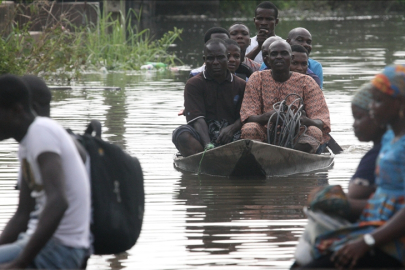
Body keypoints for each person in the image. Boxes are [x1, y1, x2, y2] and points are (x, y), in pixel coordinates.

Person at [298, 65, 405, 269]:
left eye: (379, 101)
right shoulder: (391, 138)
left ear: (399, 103)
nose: (372, 108)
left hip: (390, 241)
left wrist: (367, 242)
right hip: (371, 226)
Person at [0, 74, 90, 269]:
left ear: (16, 111)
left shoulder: (41, 132)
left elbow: (58, 201)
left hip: (61, 250)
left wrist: (20, 263)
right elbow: (22, 215)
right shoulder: (26, 145)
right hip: (41, 244)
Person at [240, 40, 330, 154]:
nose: (279, 57)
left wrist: (303, 120)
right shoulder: (257, 78)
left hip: (297, 134)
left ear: (291, 58)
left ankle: (292, 157)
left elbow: (321, 121)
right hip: (265, 131)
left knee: (315, 132)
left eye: (283, 53)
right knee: (249, 128)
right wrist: (269, 116)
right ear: (267, 59)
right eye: (274, 54)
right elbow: (248, 117)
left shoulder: (307, 82)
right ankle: (263, 156)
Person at [172, 38, 246, 157]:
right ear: (204, 60)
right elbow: (197, 119)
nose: (215, 62)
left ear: (227, 58)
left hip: (230, 134)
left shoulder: (241, 85)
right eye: (210, 58)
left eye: (220, 57)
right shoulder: (194, 84)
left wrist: (231, 129)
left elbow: (245, 115)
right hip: (203, 133)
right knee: (181, 134)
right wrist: (208, 145)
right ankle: (205, 159)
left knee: (251, 131)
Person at [349, 83, 386, 200]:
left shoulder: (378, 155)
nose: (354, 125)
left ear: (377, 115)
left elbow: (355, 193)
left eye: (359, 117)